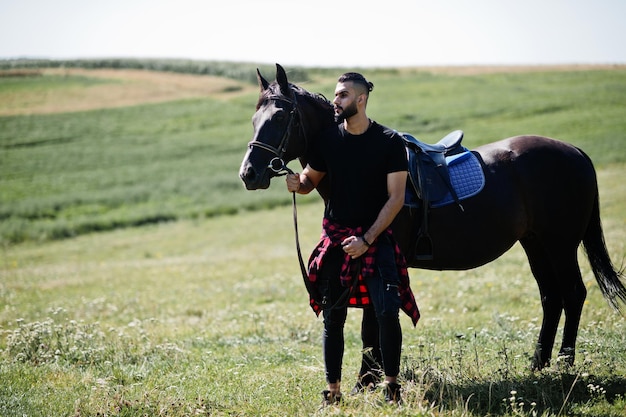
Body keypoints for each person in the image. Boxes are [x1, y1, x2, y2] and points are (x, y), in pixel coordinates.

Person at [286, 72, 420, 405]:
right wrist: (297, 184)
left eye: (343, 95)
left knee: (387, 312)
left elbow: (396, 198)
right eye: (335, 95)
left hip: (376, 239)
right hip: (336, 240)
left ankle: (391, 387)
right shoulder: (327, 141)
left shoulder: (389, 142)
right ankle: (332, 391)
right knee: (333, 320)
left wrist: (368, 239)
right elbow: (308, 182)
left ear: (361, 99)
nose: (336, 101)